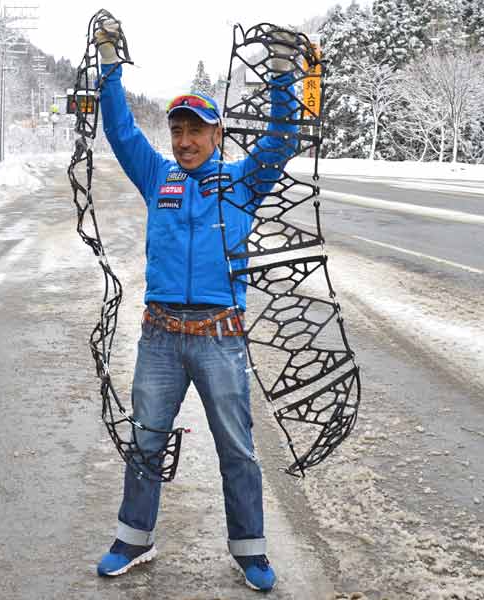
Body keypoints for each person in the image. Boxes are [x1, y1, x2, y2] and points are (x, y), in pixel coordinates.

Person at [92, 17, 299, 593]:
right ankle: (134, 538)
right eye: (177, 130)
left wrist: (282, 73)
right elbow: (120, 130)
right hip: (159, 337)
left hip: (220, 338)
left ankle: (249, 550)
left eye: (196, 132)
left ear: (217, 136)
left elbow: (283, 136)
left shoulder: (242, 183)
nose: (184, 141)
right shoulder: (156, 175)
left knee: (237, 447)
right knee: (145, 440)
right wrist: (110, 64)